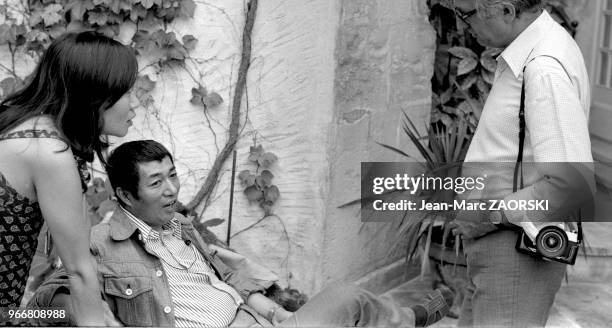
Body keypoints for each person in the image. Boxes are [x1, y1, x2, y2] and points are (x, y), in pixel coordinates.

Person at [30, 140, 452, 327]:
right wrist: (87, 315)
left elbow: (222, 277)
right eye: (156, 182)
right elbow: (42, 302)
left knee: (346, 300)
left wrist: (269, 310)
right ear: (124, 194)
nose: (173, 189)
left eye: (173, 175)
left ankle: (401, 321)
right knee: (347, 299)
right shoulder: (101, 244)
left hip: (252, 321)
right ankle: (407, 320)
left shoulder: (180, 226)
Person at [435, 0, 593, 327]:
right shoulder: (538, 48)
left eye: (467, 13)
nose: (463, 24)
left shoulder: (543, 67)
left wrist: (485, 214)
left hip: (517, 253)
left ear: (506, 10)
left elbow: (569, 186)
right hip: (505, 249)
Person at [0, 31, 138, 326]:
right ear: (95, 95)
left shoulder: (22, 125)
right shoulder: (47, 150)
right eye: (127, 91)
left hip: (11, 312)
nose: (134, 102)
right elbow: (79, 269)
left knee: (62, 311)